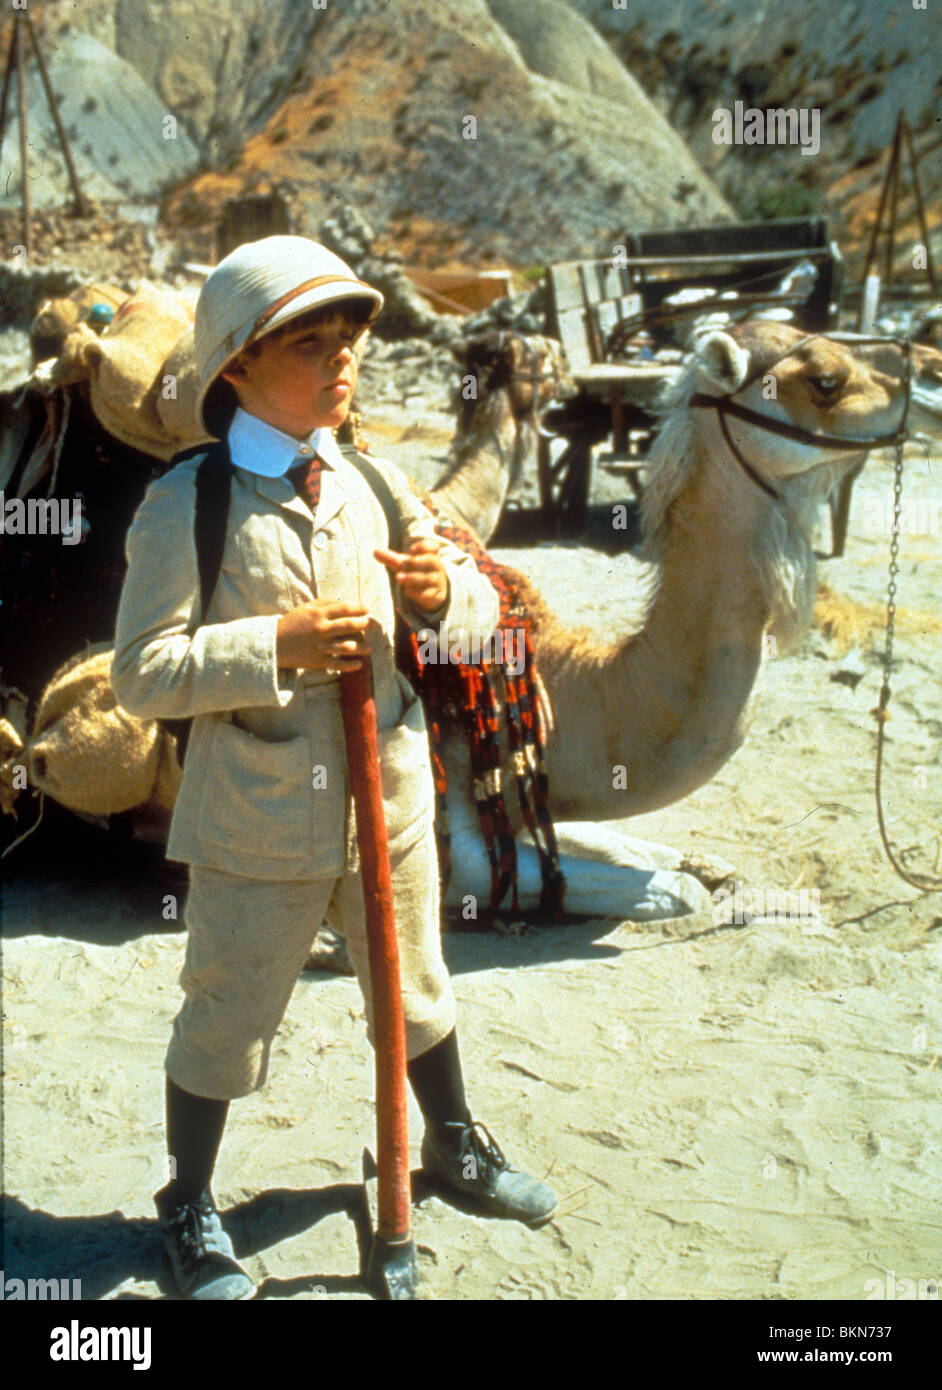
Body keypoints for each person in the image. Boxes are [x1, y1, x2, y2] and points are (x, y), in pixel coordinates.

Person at [111, 236, 557, 1300]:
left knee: (417, 991)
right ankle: (189, 1199)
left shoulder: (368, 476)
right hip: (257, 819)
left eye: (348, 340)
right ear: (236, 367)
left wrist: (449, 601)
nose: (340, 362)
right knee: (226, 1010)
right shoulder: (192, 506)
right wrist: (276, 648)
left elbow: (470, 600)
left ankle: (451, 1145)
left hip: (389, 803)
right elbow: (140, 674)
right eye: (308, 344)